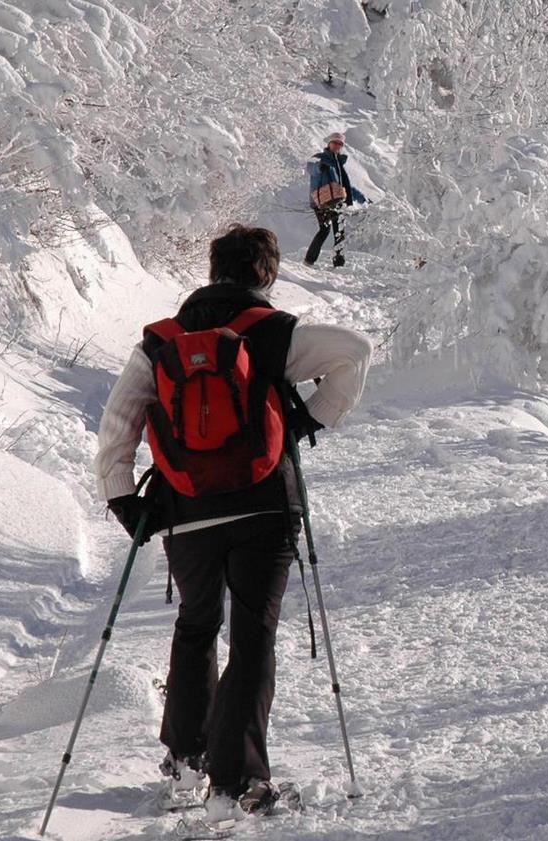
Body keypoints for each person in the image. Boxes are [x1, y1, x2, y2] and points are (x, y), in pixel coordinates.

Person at [92, 224, 372, 814]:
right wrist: (308, 421)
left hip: (185, 511)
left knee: (196, 625)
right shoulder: (274, 334)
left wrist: (123, 496)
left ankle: (186, 760)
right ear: (265, 274)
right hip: (263, 509)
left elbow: (119, 420)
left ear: (212, 269)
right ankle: (237, 781)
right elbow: (354, 351)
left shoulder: (160, 341)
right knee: (252, 637)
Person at [304, 132, 368, 267]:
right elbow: (311, 168)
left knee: (339, 232)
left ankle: (339, 263)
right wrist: (320, 167)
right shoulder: (319, 158)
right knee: (325, 230)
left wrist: (362, 198)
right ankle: (309, 260)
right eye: (335, 142)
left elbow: (345, 186)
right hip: (320, 202)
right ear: (329, 144)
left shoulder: (338, 164)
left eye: (340, 144)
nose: (337, 146)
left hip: (337, 200)